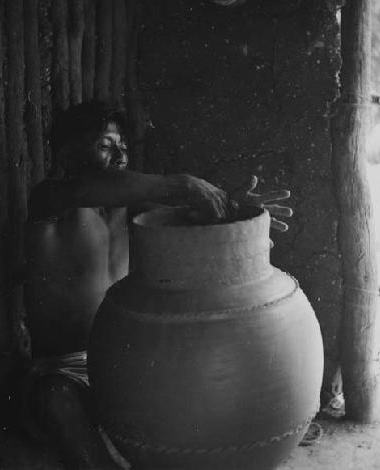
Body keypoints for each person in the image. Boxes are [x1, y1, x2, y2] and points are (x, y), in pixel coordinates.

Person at [22, 101, 292, 469]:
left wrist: (232, 211)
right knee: (56, 399)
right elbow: (90, 189)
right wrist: (184, 185)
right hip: (66, 367)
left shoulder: (132, 212)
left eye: (123, 147)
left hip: (124, 360)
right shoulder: (49, 201)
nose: (119, 155)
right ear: (68, 152)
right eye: (105, 145)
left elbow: (186, 216)